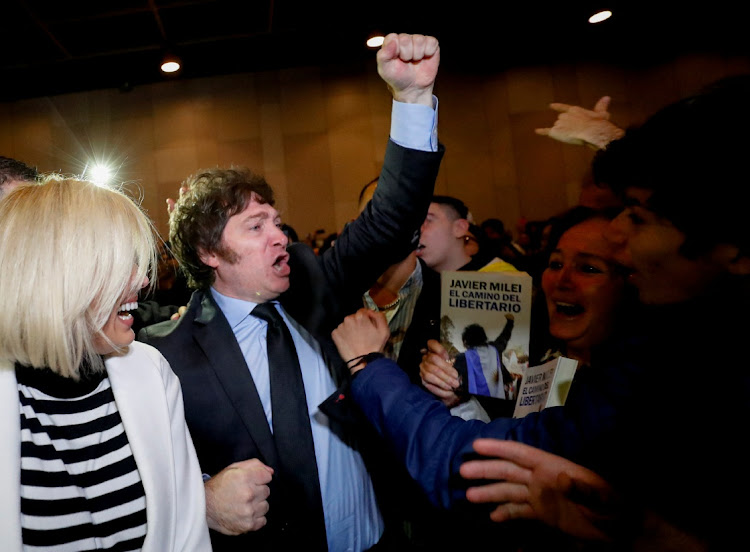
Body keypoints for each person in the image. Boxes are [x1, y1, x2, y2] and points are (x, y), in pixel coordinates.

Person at [331, 74, 750, 548]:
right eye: (553, 264)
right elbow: (524, 408)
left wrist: (370, 368)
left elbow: (471, 459)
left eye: (635, 215)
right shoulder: (567, 362)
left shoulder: (661, 363)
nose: (618, 238)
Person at [139, 32, 443, 551]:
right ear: (210, 253)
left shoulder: (317, 286)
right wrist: (201, 499)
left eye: (277, 221)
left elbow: (389, 219)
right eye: (256, 227)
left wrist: (412, 100)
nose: (281, 235)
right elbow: (143, 477)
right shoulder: (164, 357)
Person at [0, 177, 210, 551]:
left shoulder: (151, 372)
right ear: (58, 277)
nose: (143, 279)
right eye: (118, 263)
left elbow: (187, 535)